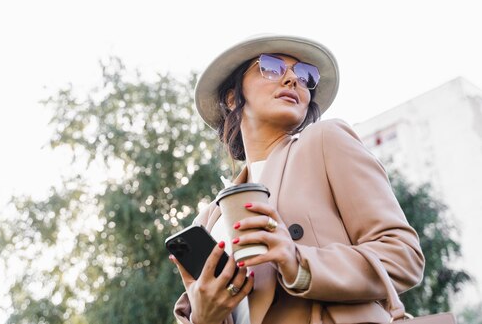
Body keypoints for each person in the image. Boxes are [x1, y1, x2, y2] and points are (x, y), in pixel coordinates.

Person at [170, 34, 424, 324]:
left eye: (305, 75)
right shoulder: (209, 220)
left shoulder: (325, 141)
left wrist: (298, 263)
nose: (293, 79)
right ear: (232, 97)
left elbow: (402, 255)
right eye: (271, 67)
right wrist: (204, 316)